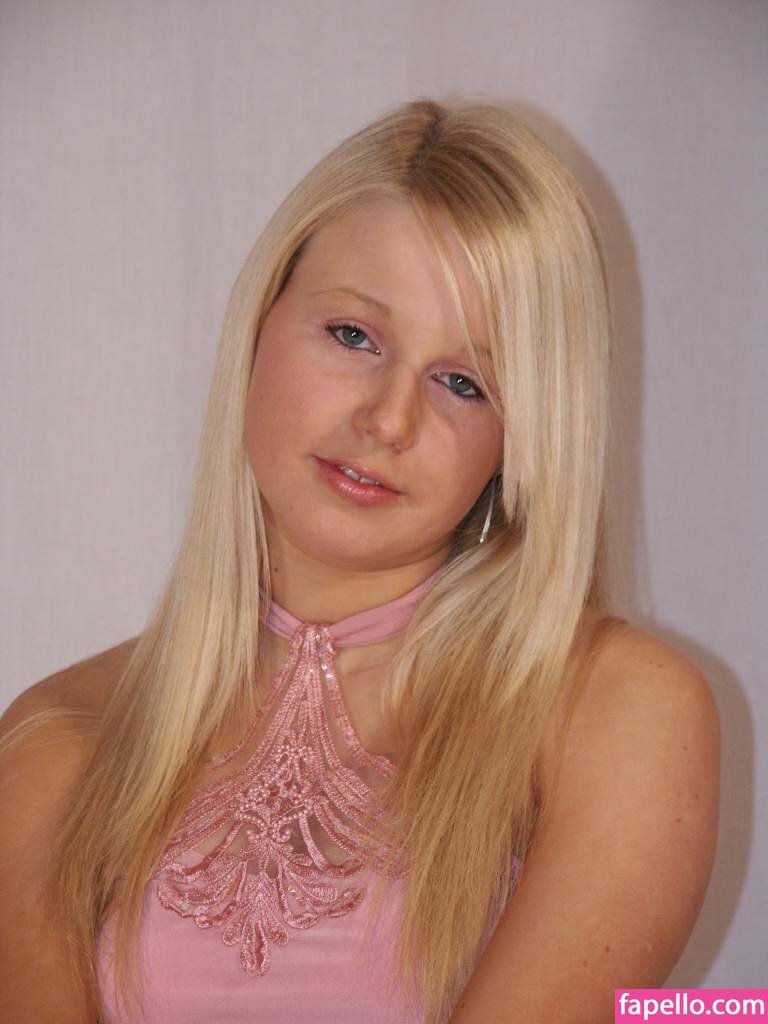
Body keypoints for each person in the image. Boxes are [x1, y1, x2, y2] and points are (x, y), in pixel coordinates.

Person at [0, 96, 720, 1024]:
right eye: (353, 336)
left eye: (463, 383)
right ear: (258, 326)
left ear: (523, 440)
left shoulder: (616, 710)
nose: (388, 420)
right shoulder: (53, 740)